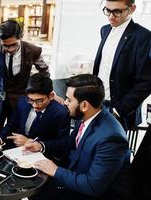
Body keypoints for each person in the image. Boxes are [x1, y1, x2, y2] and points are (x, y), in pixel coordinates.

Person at [26, 74, 131, 200]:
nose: (65, 103)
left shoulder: (112, 138)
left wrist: (55, 170)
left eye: (69, 100)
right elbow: (70, 145)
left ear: (84, 105)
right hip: (76, 179)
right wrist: (41, 146)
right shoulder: (87, 116)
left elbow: (93, 186)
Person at [93, 0, 151, 130]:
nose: (111, 16)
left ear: (132, 9)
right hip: (97, 104)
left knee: (112, 149)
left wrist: (119, 110)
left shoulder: (143, 36)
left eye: (117, 11)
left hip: (120, 111)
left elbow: (146, 82)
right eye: (107, 10)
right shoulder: (105, 30)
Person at [0, 72, 70, 160]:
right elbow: (11, 125)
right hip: (16, 151)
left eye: (39, 101)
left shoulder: (61, 113)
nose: (34, 105)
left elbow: (62, 143)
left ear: (51, 96)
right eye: (31, 100)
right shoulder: (22, 102)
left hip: (42, 156)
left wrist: (34, 143)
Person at [0, 20, 49, 126]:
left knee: (16, 130)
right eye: (6, 46)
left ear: (21, 37)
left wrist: (41, 90)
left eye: (14, 45)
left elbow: (44, 70)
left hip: (20, 98)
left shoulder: (32, 50)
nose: (10, 49)